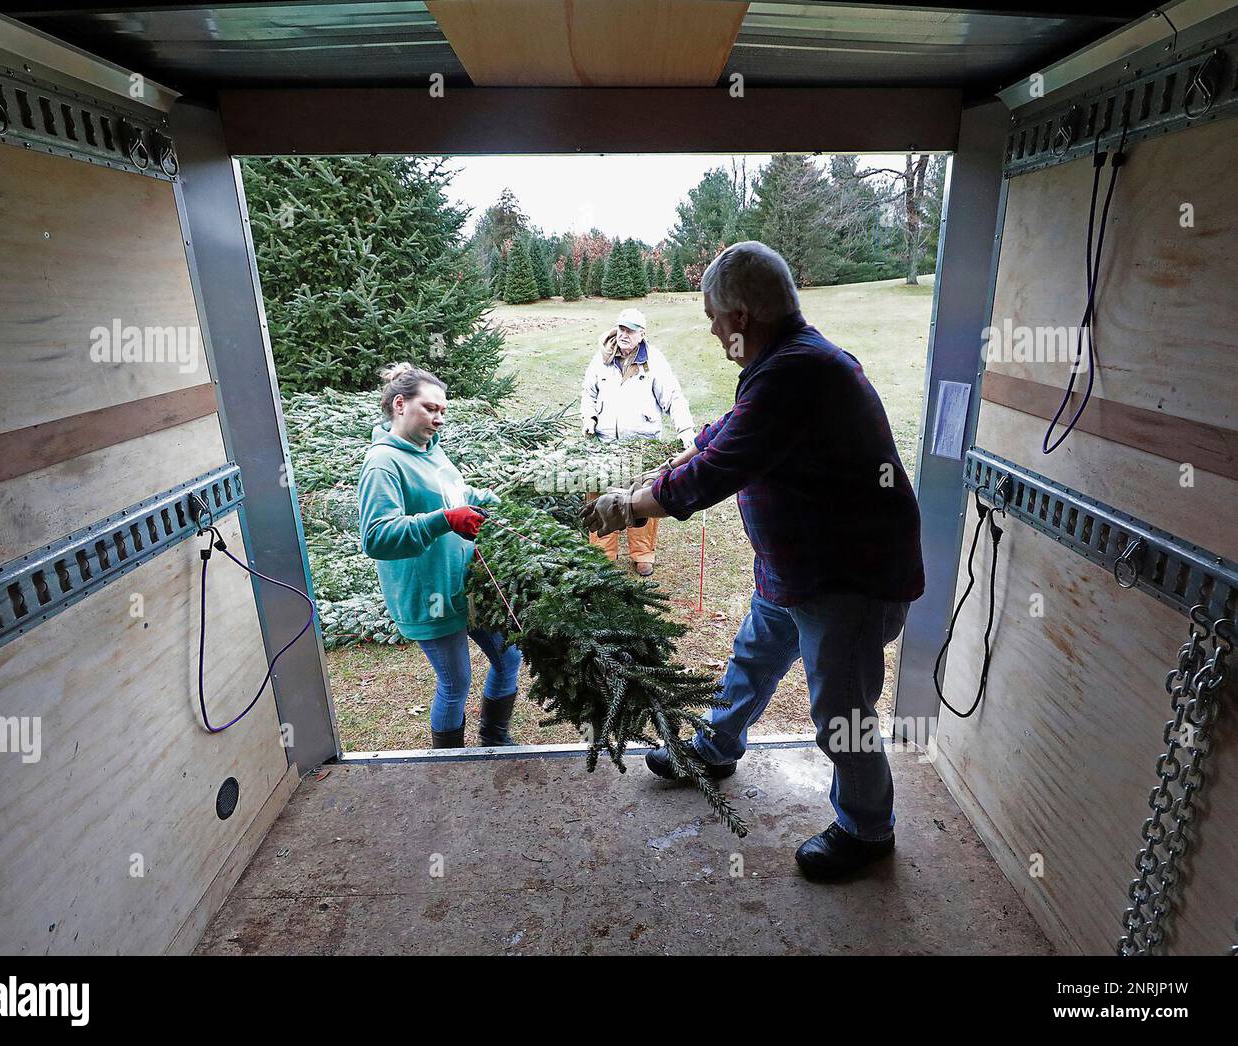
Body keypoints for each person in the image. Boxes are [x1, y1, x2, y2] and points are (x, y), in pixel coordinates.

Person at [582, 243, 925, 881]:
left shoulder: (798, 372)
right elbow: (724, 434)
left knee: (842, 716)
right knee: (753, 657)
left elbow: (718, 469)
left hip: (846, 578)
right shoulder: (784, 362)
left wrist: (633, 505)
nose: (711, 329)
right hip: (798, 568)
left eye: (714, 316)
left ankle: (867, 827)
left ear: (742, 314)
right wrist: (664, 471)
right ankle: (716, 748)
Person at [357, 362, 523, 750]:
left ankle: (494, 738)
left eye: (443, 411)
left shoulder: (432, 451)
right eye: (430, 409)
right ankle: (447, 760)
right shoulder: (383, 464)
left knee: (509, 656)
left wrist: (476, 500)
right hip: (429, 593)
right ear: (400, 404)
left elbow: (451, 496)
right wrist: (444, 520)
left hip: (468, 583)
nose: (439, 418)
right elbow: (377, 537)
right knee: (455, 681)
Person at [580, 307, 695, 576]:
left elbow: (673, 397)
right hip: (605, 443)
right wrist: (589, 417)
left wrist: (686, 431)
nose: (624, 334)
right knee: (599, 493)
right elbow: (588, 392)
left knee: (642, 496)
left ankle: (642, 554)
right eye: (621, 329)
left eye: (630, 330)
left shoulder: (654, 361)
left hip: (642, 443)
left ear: (642, 334)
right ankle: (602, 554)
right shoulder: (602, 360)